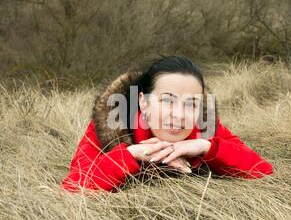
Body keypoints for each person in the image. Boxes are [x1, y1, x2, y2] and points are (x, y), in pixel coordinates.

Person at [61, 56, 273, 193]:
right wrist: (131, 154)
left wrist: (207, 148)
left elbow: (262, 170)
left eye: (191, 104)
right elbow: (72, 187)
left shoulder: (205, 126)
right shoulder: (111, 123)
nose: (180, 115)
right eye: (167, 101)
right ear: (144, 103)